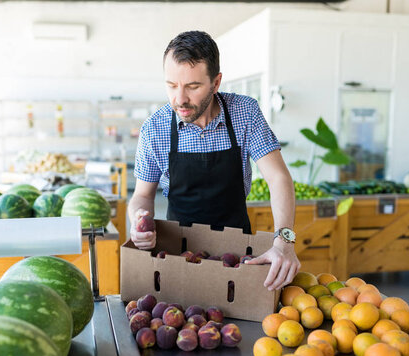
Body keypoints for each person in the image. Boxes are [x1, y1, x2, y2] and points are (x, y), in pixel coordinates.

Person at [128, 30, 300, 291]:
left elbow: (278, 177)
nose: (179, 99)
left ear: (216, 82)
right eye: (171, 86)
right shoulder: (155, 128)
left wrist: (284, 242)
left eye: (193, 86)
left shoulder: (245, 113)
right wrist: (138, 221)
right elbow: (142, 195)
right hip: (178, 256)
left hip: (237, 254)